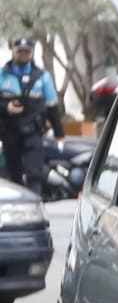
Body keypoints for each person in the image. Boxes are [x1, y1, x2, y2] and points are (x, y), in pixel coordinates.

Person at [1, 37, 61, 193]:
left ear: (32, 53)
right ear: (13, 52)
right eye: (20, 51)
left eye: (27, 51)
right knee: (14, 175)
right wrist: (6, 107)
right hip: (10, 133)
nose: (23, 55)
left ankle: (34, 204)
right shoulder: (3, 75)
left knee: (34, 173)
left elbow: (52, 106)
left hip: (33, 132)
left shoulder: (42, 76)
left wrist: (59, 134)